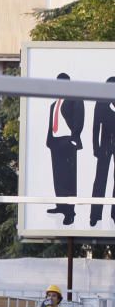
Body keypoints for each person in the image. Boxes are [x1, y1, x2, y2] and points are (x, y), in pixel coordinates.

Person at [46, 74, 84, 226]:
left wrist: (74, 138)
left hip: (68, 141)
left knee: (69, 178)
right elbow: (51, 124)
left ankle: (70, 211)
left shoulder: (75, 99)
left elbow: (79, 118)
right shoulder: (54, 104)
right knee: (58, 177)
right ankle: (60, 206)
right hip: (55, 142)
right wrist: (49, 141)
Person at [89, 77, 115, 226]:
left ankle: (114, 214)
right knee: (100, 180)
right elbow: (95, 127)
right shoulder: (100, 103)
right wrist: (95, 147)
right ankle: (95, 215)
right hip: (104, 145)